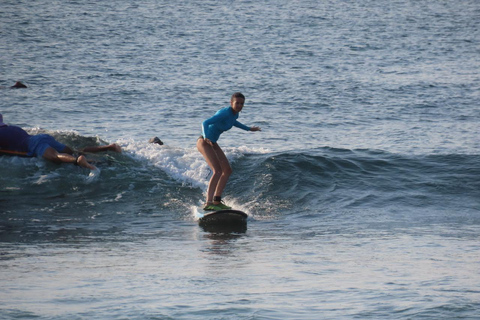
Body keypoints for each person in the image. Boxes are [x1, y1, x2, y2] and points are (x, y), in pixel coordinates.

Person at [197, 92, 261, 211]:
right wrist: (206, 137)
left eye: (242, 104)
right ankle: (208, 203)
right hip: (204, 142)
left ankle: (217, 201)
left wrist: (249, 129)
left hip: (213, 143)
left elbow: (233, 122)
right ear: (231, 103)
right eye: (237, 103)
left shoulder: (234, 115)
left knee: (227, 170)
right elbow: (205, 122)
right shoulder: (225, 112)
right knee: (217, 171)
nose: (239, 106)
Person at [0, 114, 121, 170]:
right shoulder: (11, 128)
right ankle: (108, 147)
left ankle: (77, 161)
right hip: (42, 137)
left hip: (35, 144)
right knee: (75, 151)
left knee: (55, 157)